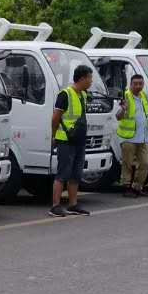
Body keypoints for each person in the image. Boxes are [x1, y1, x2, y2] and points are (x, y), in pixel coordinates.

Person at [50, 65, 94, 217]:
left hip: (79, 140)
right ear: (82, 78)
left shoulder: (83, 95)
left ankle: (73, 204)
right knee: (63, 173)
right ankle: (55, 206)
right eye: (90, 78)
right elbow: (55, 118)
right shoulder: (65, 94)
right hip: (66, 140)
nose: (91, 81)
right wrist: (54, 136)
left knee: (76, 174)